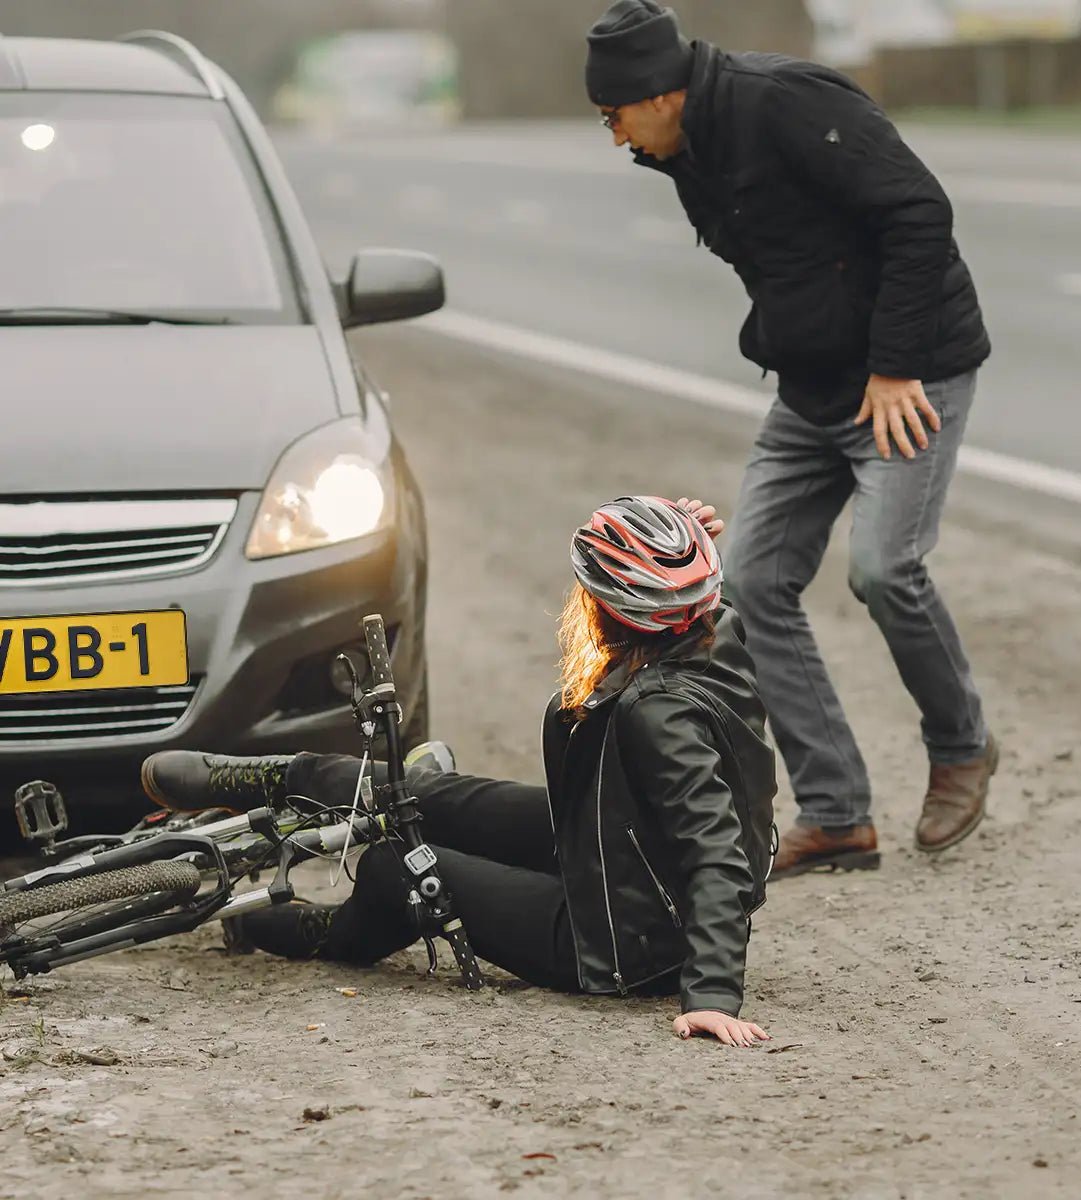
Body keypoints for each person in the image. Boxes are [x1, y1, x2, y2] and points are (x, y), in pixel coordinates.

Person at [585, 2, 998, 873]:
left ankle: (961, 746)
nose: (612, 136)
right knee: (749, 583)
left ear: (658, 95)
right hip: (812, 393)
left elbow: (918, 212)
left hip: (904, 379)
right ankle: (838, 811)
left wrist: (892, 364)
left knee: (886, 569)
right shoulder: (687, 152)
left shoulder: (785, 103)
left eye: (613, 114)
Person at [141, 497, 778, 1047]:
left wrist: (713, 995)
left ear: (607, 608)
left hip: (619, 937)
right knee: (418, 795)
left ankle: (322, 929)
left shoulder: (658, 714)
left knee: (398, 866)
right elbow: (683, 595)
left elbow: (718, 851)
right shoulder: (715, 628)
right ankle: (268, 777)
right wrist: (672, 549)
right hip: (613, 846)